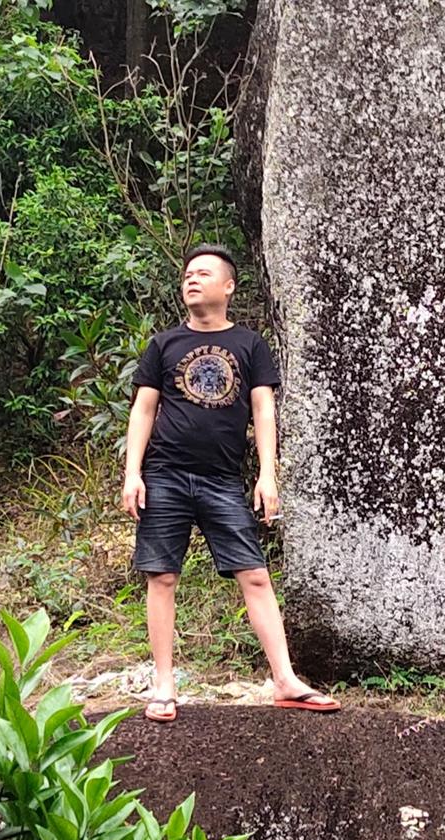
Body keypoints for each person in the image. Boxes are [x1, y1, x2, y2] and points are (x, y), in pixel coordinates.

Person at [121, 243, 340, 721]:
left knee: (256, 575)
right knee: (161, 576)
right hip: (165, 475)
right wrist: (132, 473)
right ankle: (163, 684)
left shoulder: (249, 345)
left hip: (223, 480)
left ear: (228, 286)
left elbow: (263, 409)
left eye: (202, 273)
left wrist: (267, 474)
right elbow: (143, 409)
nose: (191, 280)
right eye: (187, 275)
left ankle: (284, 678)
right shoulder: (163, 345)